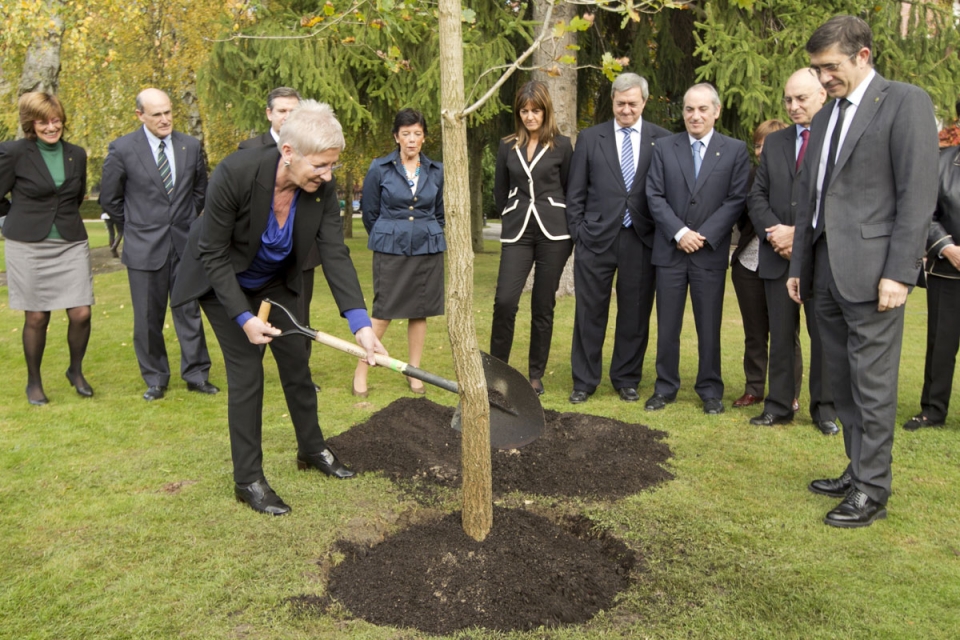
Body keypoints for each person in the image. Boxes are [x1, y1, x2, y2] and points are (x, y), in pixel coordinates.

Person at [171, 100, 385, 515]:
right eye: (320, 166)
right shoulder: (235, 173)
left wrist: (361, 324)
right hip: (225, 285)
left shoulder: (319, 188)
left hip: (275, 282)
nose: (327, 176)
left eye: (332, 167)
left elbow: (335, 253)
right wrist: (244, 317)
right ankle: (248, 479)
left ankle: (312, 450)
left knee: (296, 366)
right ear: (289, 153)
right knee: (248, 374)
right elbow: (212, 253)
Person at [788, 16, 938, 527]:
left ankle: (872, 489)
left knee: (872, 384)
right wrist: (800, 265)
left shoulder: (906, 102)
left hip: (876, 273)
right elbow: (811, 195)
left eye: (830, 67)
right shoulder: (828, 114)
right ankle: (857, 468)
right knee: (842, 381)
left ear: (863, 56)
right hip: (826, 269)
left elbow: (917, 193)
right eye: (816, 69)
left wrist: (900, 271)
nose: (822, 78)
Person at [99, 88, 218, 401]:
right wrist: (136, 227)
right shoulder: (123, 149)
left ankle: (196, 375)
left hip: (184, 245)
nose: (165, 119)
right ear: (140, 115)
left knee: (189, 311)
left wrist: (186, 223)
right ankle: (155, 379)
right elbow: (110, 199)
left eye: (168, 112)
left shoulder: (190, 146)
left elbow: (199, 192)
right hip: (143, 248)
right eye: (157, 114)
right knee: (148, 317)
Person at [644, 83, 750, 415]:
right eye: (690, 109)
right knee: (668, 325)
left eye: (703, 109)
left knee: (709, 324)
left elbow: (736, 199)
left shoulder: (734, 150)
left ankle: (709, 389)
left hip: (709, 253)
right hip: (671, 252)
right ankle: (665, 387)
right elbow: (654, 196)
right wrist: (680, 233)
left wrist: (702, 235)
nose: (695, 115)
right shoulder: (663, 147)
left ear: (716, 111)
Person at [566, 72, 672, 404]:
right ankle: (584, 380)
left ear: (644, 102)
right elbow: (575, 193)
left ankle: (626, 378)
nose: (626, 110)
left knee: (635, 312)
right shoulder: (590, 138)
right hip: (595, 238)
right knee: (589, 311)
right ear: (612, 101)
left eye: (632, 103)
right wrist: (579, 232)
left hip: (641, 238)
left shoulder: (662, 140)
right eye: (620, 103)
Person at [748, 68, 839, 435]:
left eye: (801, 98)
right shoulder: (776, 142)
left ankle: (825, 410)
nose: (793, 106)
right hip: (777, 256)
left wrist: (798, 235)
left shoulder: (836, 140)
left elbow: (837, 199)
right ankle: (779, 405)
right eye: (788, 99)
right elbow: (757, 196)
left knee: (824, 337)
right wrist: (775, 235)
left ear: (822, 95)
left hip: (819, 257)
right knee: (781, 335)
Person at [0, 92, 94, 405]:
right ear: (31, 123)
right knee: (37, 317)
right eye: (43, 121)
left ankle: (76, 371)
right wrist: (11, 219)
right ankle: (34, 382)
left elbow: (77, 195)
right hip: (27, 245)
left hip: (69, 241)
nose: (51, 127)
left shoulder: (76, 154)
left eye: (56, 120)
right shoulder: (13, 153)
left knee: (81, 312)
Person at [353, 108, 445, 397]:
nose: (411, 139)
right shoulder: (379, 168)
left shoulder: (436, 170)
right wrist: (391, 235)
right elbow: (370, 214)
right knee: (383, 312)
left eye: (417, 134)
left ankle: (413, 372)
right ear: (396, 136)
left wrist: (424, 232)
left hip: (427, 249)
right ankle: (361, 371)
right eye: (406, 134)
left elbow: (439, 213)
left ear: (424, 138)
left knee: (420, 312)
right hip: (390, 249)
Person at [489, 81, 573, 396]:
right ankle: (497, 371)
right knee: (505, 301)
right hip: (518, 232)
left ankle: (535, 374)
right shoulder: (506, 145)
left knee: (542, 304)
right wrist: (511, 212)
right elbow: (499, 191)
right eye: (524, 111)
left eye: (535, 110)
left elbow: (569, 187)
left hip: (555, 233)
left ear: (545, 110)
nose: (529, 116)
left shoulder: (563, 146)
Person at [237, 87, 322, 392]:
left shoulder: (313, 148)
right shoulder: (247, 150)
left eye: (294, 111)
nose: (288, 116)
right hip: (258, 254)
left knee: (300, 314)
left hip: (302, 251)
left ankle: (301, 377)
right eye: (282, 110)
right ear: (269, 114)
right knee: (256, 313)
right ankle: (251, 374)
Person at [730, 119, 794, 411]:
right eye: (757, 145)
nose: (760, 151)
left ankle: (788, 393)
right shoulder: (749, 177)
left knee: (786, 333)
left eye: (767, 145)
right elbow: (742, 218)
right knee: (754, 332)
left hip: (783, 263)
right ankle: (754, 388)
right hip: (748, 265)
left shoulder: (796, 177)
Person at [903, 143, 960, 431]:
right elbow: (926, 211)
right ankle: (932, 410)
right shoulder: (940, 162)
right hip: (948, 272)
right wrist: (947, 248)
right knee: (941, 344)